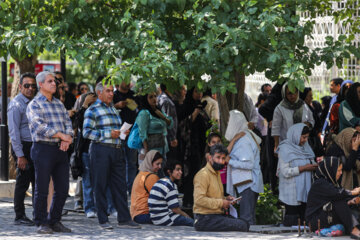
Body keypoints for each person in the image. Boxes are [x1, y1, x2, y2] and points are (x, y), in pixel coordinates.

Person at [83, 80, 140, 230]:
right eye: (108, 91)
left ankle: (124, 218)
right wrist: (109, 133)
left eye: (111, 91)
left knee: (120, 185)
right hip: (100, 150)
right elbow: (86, 132)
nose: (111, 94)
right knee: (100, 185)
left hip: (117, 149)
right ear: (99, 93)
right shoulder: (92, 110)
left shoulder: (113, 109)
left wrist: (122, 132)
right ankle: (103, 219)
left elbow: (115, 131)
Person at [26, 71, 74, 234]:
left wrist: (68, 138)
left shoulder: (59, 104)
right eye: (50, 81)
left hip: (60, 149)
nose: (54, 84)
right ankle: (41, 222)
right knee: (42, 188)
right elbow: (39, 126)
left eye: (54, 81)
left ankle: (55, 221)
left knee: (63, 188)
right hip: (43, 148)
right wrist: (61, 135)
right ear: (41, 85)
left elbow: (68, 122)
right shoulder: (34, 104)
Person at [193, 144, 249, 232]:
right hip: (204, 218)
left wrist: (226, 199)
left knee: (245, 222)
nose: (220, 161)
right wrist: (221, 203)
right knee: (242, 225)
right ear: (210, 158)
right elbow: (199, 200)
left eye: (223, 158)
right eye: (218, 157)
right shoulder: (203, 175)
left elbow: (213, 197)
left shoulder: (217, 173)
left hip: (215, 216)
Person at [305, 156, 360, 238]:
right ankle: (353, 230)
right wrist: (353, 192)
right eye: (338, 170)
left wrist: (351, 201)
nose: (341, 173)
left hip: (326, 216)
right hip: (315, 221)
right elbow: (337, 194)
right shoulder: (320, 183)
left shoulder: (333, 183)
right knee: (338, 200)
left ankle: (355, 227)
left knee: (352, 207)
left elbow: (340, 197)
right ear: (330, 170)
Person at [8, 72, 37, 226]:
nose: (30, 88)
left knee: (37, 181)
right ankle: (19, 216)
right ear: (20, 87)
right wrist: (20, 155)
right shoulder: (16, 105)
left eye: (33, 85)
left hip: (35, 146)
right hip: (23, 147)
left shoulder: (35, 102)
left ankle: (38, 214)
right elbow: (14, 132)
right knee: (23, 182)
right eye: (27, 85)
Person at [225, 110, 264, 225]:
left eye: (230, 121)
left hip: (248, 184)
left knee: (246, 220)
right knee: (248, 218)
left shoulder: (244, 141)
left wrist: (230, 161)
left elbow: (248, 164)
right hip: (250, 183)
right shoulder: (246, 135)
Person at [277, 123, 317, 226]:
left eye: (307, 137)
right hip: (292, 193)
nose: (305, 140)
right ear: (295, 134)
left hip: (306, 191)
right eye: (303, 137)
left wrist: (315, 165)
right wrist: (304, 168)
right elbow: (285, 172)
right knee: (293, 222)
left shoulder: (305, 148)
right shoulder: (285, 149)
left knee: (304, 222)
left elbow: (311, 161)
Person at [182, 87, 210, 207]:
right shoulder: (187, 106)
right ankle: (188, 200)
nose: (199, 94)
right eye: (196, 91)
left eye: (200, 91)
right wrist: (195, 112)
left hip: (200, 145)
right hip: (189, 147)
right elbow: (184, 124)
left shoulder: (201, 107)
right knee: (190, 174)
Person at [148, 161, 194, 226]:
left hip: (155, 219)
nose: (181, 172)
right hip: (165, 219)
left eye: (181, 170)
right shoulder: (169, 185)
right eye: (178, 170)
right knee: (193, 222)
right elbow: (175, 209)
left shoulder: (160, 181)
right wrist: (186, 216)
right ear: (169, 172)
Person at [113, 81, 139, 193]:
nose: (127, 82)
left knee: (132, 162)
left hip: (132, 133)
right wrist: (117, 106)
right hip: (118, 133)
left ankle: (131, 187)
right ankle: (120, 187)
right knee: (119, 162)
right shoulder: (114, 96)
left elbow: (138, 111)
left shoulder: (134, 95)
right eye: (124, 79)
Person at [272, 83, 314, 150]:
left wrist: (308, 124)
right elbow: (276, 128)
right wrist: (276, 145)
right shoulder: (280, 108)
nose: (293, 96)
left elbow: (311, 120)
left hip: (303, 145)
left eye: (295, 92)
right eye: (289, 93)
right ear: (284, 94)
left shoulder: (303, 106)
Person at [136, 92, 173, 158]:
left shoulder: (158, 111)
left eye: (155, 96)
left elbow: (170, 125)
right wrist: (146, 152)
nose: (154, 99)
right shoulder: (144, 113)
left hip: (163, 149)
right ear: (145, 99)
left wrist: (163, 117)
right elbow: (142, 133)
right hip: (152, 150)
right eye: (151, 97)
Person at [130, 150, 162, 224]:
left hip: (135, 214)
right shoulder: (151, 177)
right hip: (144, 215)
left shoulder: (141, 173)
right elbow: (160, 197)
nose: (160, 167)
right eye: (157, 164)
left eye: (161, 164)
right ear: (150, 162)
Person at [299, 87, 324, 157]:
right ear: (304, 97)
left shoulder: (309, 108)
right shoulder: (302, 108)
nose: (312, 98)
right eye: (310, 96)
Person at [157, 84, 179, 162]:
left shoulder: (159, 98)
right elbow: (169, 120)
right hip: (167, 137)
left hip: (162, 136)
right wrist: (173, 137)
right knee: (169, 161)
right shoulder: (166, 101)